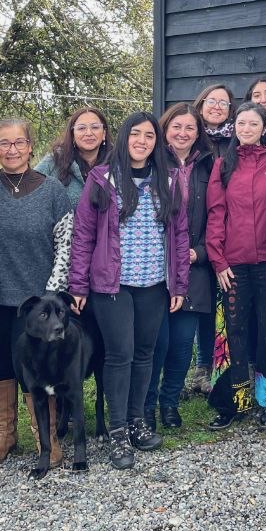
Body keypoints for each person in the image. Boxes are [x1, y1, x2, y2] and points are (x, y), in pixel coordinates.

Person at [68, 112, 189, 470]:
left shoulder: (169, 180)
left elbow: (180, 235)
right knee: (120, 355)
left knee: (144, 354)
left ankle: (137, 421)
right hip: (112, 285)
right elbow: (83, 235)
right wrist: (78, 284)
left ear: (157, 142)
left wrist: (179, 282)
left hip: (154, 283)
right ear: (124, 138)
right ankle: (117, 430)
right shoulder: (102, 179)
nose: (142, 141)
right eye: (135, 134)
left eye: (149, 136)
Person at [0, 117, 73, 469]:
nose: (12, 149)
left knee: (36, 369)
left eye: (19, 142)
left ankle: (45, 436)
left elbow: (65, 245)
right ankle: (5, 435)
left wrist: (52, 296)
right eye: (4, 143)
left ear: (31, 146)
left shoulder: (52, 191)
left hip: (36, 303)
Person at [205, 101, 266, 429]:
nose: (246, 129)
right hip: (233, 264)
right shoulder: (223, 165)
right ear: (234, 126)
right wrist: (218, 259)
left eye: (253, 124)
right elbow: (216, 213)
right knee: (233, 331)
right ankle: (232, 401)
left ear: (264, 127)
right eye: (241, 123)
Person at [144, 102, 215, 430]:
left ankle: (170, 403)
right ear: (165, 129)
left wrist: (199, 252)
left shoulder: (209, 165)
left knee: (183, 343)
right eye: (177, 126)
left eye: (190, 128)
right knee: (156, 343)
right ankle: (146, 405)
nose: (183, 133)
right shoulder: (151, 162)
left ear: (198, 133)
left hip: (194, 266)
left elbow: (219, 215)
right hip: (156, 266)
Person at [35, 106, 112, 208]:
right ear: (72, 135)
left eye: (95, 127)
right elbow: (28, 192)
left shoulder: (116, 164)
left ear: (104, 133)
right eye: (81, 128)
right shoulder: (53, 162)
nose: (89, 133)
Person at [192, 83, 236, 160]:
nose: (217, 107)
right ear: (201, 108)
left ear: (229, 111)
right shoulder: (191, 135)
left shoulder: (237, 138)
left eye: (223, 103)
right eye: (211, 102)